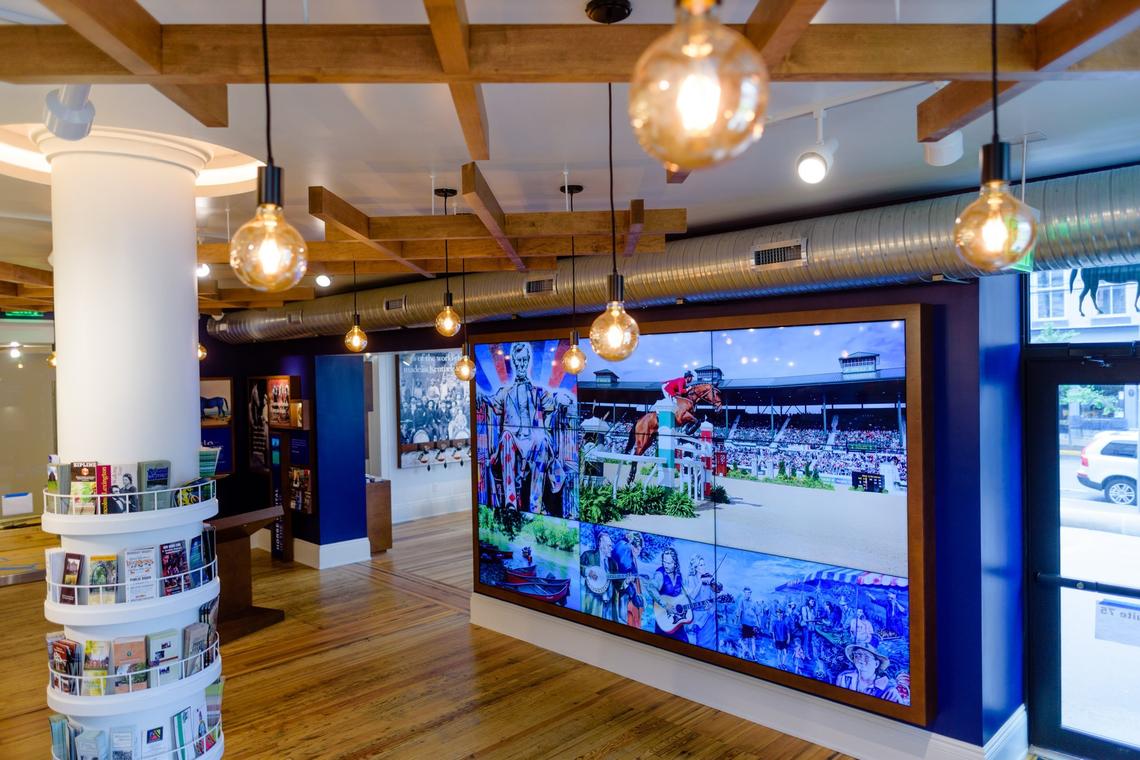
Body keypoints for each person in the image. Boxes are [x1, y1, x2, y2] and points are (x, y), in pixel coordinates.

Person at [479, 342, 575, 513]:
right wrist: (479, 396)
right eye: (518, 361)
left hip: (535, 440)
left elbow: (554, 401)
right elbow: (492, 402)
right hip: (512, 442)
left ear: (528, 361)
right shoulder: (505, 391)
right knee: (507, 436)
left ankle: (535, 504)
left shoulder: (539, 392)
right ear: (514, 363)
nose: (521, 364)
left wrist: (562, 396)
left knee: (543, 441)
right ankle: (511, 503)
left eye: (524, 360)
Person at [834, 643, 905, 703]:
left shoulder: (889, 690)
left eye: (866, 657)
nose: (861, 660)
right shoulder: (844, 677)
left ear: (876, 664)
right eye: (857, 655)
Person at [648, 547, 690, 642]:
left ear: (675, 563)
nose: (666, 565)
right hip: (663, 620)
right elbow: (651, 588)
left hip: (677, 620)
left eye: (669, 563)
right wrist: (665, 604)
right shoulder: (660, 574)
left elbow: (684, 597)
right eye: (664, 562)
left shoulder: (679, 576)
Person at [580, 533, 619, 622]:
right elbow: (578, 566)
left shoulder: (613, 563)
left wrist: (627, 582)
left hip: (609, 603)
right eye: (609, 546)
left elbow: (618, 584)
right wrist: (588, 571)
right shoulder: (588, 555)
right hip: (594, 601)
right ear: (600, 543)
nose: (611, 549)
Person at [611, 531, 645, 628]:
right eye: (636, 548)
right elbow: (628, 584)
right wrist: (636, 598)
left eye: (640, 549)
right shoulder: (627, 558)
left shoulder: (621, 543)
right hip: (620, 590)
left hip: (615, 582)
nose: (638, 552)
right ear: (631, 544)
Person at [684, 554, 718, 650]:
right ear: (696, 567)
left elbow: (712, 598)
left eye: (704, 564)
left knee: (709, 644)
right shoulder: (691, 578)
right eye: (701, 565)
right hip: (695, 616)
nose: (704, 567)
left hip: (708, 616)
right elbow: (692, 596)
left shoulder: (709, 579)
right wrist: (701, 581)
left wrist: (711, 605)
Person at [735, 587, 760, 660]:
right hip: (745, 623)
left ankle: (753, 655)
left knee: (752, 640)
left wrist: (758, 624)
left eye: (749, 593)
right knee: (745, 640)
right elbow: (739, 611)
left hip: (753, 624)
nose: (747, 594)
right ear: (744, 593)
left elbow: (757, 613)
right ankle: (745, 654)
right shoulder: (741, 601)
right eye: (746, 593)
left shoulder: (753, 602)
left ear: (750, 593)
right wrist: (738, 622)